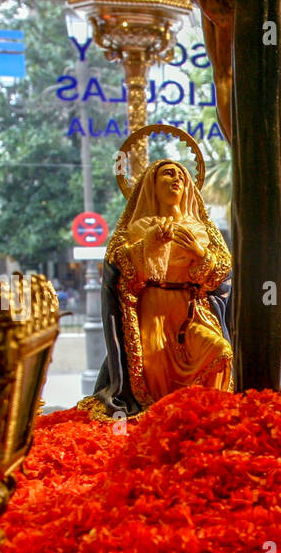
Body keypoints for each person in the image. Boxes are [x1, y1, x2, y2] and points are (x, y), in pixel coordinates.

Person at [92, 158, 233, 416]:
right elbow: (122, 275)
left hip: (192, 312)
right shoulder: (135, 229)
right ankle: (161, 428)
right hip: (153, 313)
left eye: (181, 176)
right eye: (168, 174)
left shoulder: (203, 230)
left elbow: (220, 275)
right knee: (154, 379)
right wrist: (148, 245)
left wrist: (200, 253)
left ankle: (210, 415)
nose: (176, 180)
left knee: (221, 352)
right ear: (151, 186)